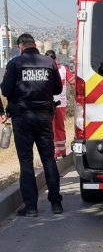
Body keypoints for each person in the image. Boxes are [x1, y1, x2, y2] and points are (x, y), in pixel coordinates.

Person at [0, 33, 64, 216]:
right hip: (44, 117)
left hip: (22, 118)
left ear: (20, 47)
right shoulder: (49, 62)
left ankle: (31, 208)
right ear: (35, 45)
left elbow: (5, 90)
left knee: (26, 163)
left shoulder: (15, 63)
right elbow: (58, 89)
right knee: (49, 160)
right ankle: (56, 204)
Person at [47, 49, 71, 159]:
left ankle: (60, 151)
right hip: (52, 104)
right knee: (52, 128)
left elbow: (74, 81)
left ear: (56, 59)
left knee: (58, 128)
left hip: (59, 104)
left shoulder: (63, 70)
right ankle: (56, 152)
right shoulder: (48, 70)